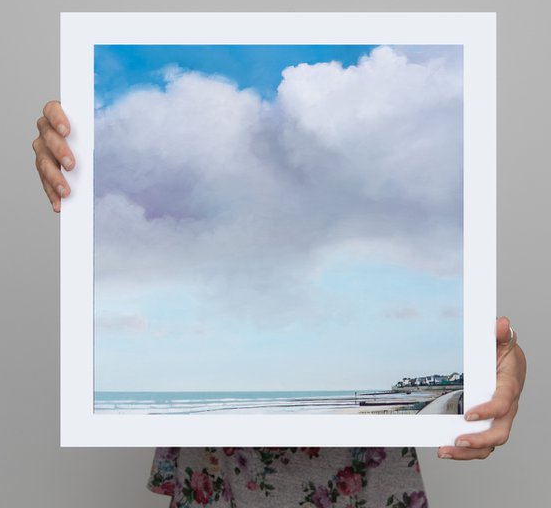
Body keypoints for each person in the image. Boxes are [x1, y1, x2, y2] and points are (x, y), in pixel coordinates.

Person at [33, 100, 527, 507]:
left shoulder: (390, 224)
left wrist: (502, 363)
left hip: (366, 481)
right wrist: (83, 164)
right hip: (221, 471)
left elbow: (469, 323)